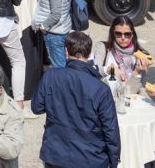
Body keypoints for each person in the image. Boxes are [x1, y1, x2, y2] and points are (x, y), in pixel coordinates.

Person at [32, 31, 120, 168]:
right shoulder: (101, 89)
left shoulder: (51, 76)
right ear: (89, 54)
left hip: (55, 156)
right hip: (90, 159)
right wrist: (114, 162)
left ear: (66, 51)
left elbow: (37, 107)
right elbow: (111, 131)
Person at [92, 16, 154, 81]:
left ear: (132, 35)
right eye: (118, 33)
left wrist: (137, 72)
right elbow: (95, 70)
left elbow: (138, 83)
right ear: (113, 34)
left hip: (130, 89)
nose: (123, 38)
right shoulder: (103, 48)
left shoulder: (140, 54)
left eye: (127, 34)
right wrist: (110, 69)